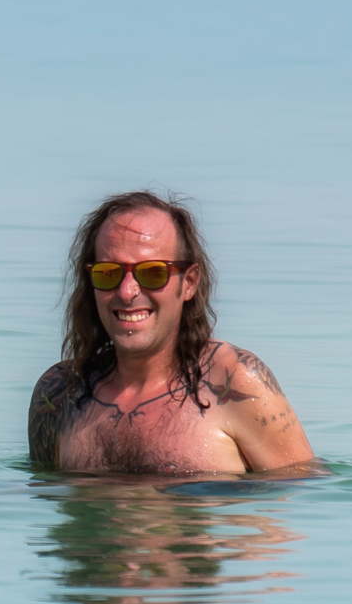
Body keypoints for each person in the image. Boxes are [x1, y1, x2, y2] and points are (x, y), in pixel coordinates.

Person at [27, 190, 313, 475]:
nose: (127, 292)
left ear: (189, 283)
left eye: (152, 272)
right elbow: (41, 496)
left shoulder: (236, 379)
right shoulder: (59, 394)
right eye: (108, 273)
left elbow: (303, 496)